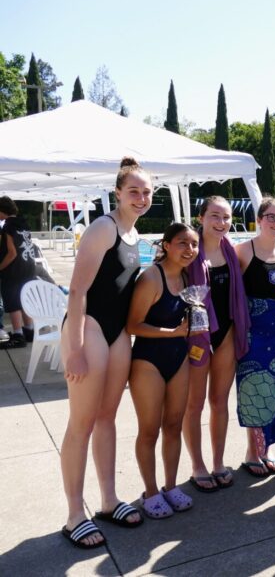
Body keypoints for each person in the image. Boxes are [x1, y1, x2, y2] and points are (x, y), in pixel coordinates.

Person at [59, 157, 151, 549]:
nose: (141, 198)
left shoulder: (134, 234)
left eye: (147, 192)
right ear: (117, 193)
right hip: (90, 328)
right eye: (134, 191)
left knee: (107, 418)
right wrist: (76, 349)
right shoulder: (103, 227)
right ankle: (74, 514)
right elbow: (77, 290)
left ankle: (109, 499)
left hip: (117, 335)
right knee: (81, 423)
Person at [126, 223, 200, 518]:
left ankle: (171, 486)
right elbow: (133, 325)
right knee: (149, 430)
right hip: (148, 360)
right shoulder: (151, 278)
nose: (189, 249)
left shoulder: (188, 277)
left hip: (178, 357)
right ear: (166, 245)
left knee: (173, 425)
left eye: (193, 244)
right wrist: (174, 332)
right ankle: (150, 492)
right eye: (182, 243)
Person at [183, 196, 250, 492]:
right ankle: (197, 466)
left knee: (219, 402)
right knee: (194, 404)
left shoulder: (230, 251)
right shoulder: (188, 251)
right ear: (201, 218)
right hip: (197, 337)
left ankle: (218, 462)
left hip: (227, 333)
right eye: (214, 216)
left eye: (226, 217)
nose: (221, 222)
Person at [235, 197, 275, 477]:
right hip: (252, 331)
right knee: (251, 388)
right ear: (259, 220)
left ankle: (267, 447)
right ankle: (252, 451)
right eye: (271, 216)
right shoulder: (242, 251)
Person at [0, 196, 38, 347]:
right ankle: (29, 330)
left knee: (13, 301)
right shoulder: (24, 223)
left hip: (14, 270)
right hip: (29, 267)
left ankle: (18, 335)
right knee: (24, 299)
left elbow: (12, 253)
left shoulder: (8, 227)